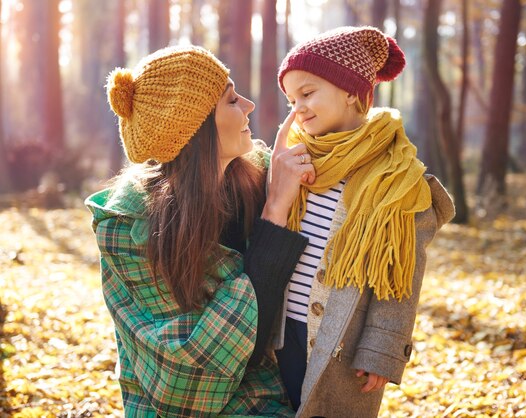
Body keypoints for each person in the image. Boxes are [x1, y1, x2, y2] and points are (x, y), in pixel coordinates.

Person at [85, 45, 316, 417]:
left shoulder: (255, 175)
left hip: (267, 393)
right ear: (195, 128)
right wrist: (275, 211)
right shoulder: (128, 228)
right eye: (230, 100)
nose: (249, 105)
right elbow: (197, 372)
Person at [272, 26, 456, 417]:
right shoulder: (295, 162)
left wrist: (383, 347)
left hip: (342, 340)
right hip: (278, 330)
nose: (298, 108)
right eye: (290, 99)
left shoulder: (397, 178)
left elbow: (402, 273)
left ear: (352, 92)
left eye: (307, 93)